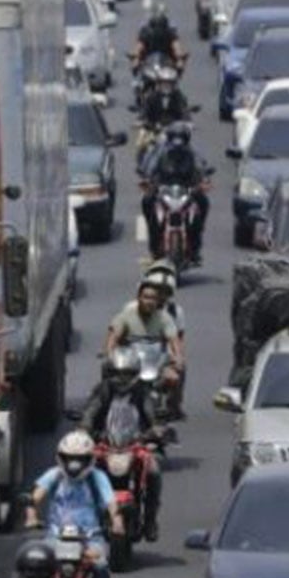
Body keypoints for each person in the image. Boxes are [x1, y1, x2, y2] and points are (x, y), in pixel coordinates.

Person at [23, 433, 122, 578]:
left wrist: (117, 521)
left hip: (90, 537)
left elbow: (111, 501)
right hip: (56, 536)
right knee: (34, 564)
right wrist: (31, 515)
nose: (74, 465)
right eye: (69, 459)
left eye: (79, 459)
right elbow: (35, 496)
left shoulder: (97, 477)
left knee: (100, 567)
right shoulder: (54, 475)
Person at [79, 347, 164, 541]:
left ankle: (150, 520)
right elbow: (91, 411)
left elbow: (152, 415)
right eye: (117, 374)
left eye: (127, 374)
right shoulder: (102, 390)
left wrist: (156, 430)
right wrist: (85, 428)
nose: (122, 379)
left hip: (135, 444)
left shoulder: (142, 391)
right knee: (81, 471)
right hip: (105, 444)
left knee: (153, 471)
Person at [103, 282, 185, 418]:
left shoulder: (164, 318)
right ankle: (105, 407)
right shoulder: (126, 316)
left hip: (154, 364)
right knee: (107, 373)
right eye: (146, 297)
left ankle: (173, 408)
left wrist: (178, 357)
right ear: (139, 298)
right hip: (129, 365)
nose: (149, 302)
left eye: (153, 298)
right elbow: (113, 336)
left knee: (174, 377)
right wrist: (109, 353)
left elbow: (174, 340)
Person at [138, 121, 211, 263]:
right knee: (147, 201)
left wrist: (204, 179)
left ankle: (196, 240)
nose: (178, 142)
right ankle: (153, 239)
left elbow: (201, 165)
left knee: (203, 202)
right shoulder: (160, 151)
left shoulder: (192, 152)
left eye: (181, 138)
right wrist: (147, 178)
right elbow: (150, 165)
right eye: (175, 137)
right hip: (164, 188)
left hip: (186, 189)